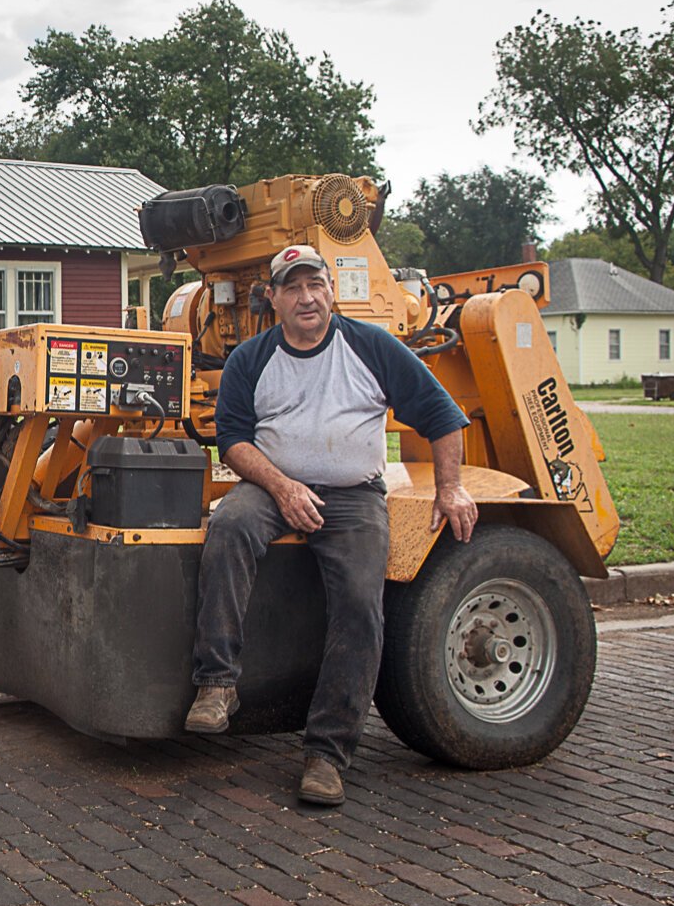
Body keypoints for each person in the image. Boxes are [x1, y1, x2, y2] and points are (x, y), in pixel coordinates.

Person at [184, 244, 478, 806]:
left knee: (361, 607)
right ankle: (217, 683)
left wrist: (450, 486)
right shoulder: (250, 358)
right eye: (292, 288)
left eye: (314, 284)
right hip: (271, 487)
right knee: (229, 528)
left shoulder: (371, 346)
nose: (306, 297)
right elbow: (233, 440)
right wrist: (282, 486)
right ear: (273, 299)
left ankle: (326, 754)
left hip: (353, 497)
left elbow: (442, 414)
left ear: (331, 289)